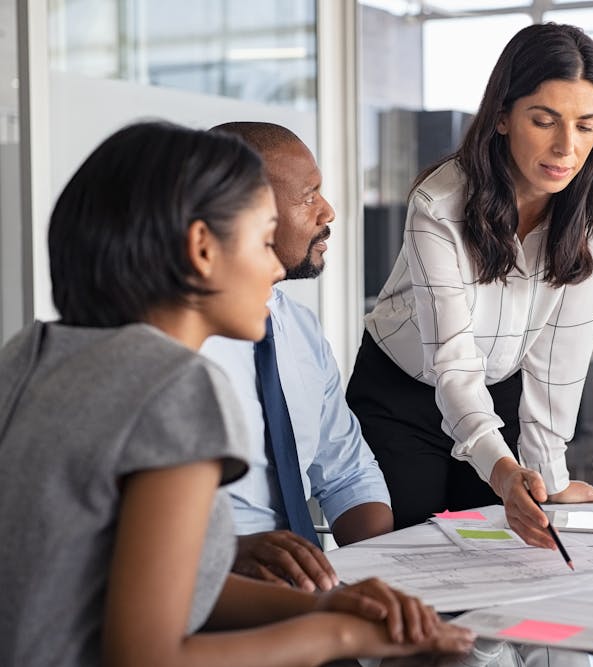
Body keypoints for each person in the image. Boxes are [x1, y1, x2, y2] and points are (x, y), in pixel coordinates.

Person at [0, 121, 473, 667]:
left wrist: (327, 606)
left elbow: (155, 586)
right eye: (261, 237)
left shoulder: (31, 353)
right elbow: (146, 656)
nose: (274, 265)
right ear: (202, 248)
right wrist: (343, 637)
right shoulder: (175, 386)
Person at [346, 22, 593, 548]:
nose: (567, 148)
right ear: (502, 115)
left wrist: (549, 475)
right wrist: (500, 469)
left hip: (501, 387)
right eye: (544, 121)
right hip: (404, 391)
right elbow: (452, 362)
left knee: (495, 556)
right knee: (412, 554)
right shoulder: (440, 204)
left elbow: (567, 336)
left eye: (586, 126)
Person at [202, 122, 393, 593]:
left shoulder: (300, 327)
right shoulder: (178, 349)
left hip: (309, 588)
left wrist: (386, 573)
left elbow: (347, 470)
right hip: (212, 586)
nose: (328, 211)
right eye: (308, 196)